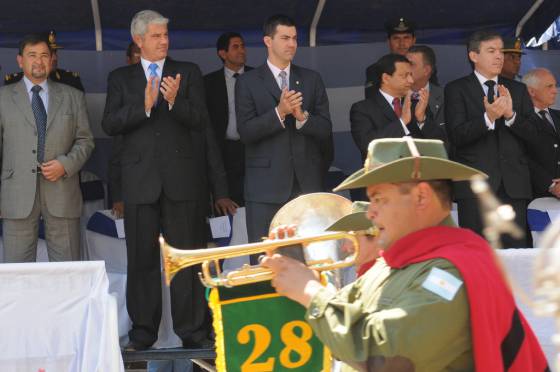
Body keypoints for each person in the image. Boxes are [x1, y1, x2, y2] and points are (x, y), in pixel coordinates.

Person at [262, 137, 548, 371]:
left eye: (379, 199)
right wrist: (295, 267)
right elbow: (343, 318)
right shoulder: (391, 264)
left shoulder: (451, 272)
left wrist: (309, 290)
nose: (370, 212)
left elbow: (384, 354)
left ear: (422, 197)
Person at [102, 10, 213, 351]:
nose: (163, 41)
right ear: (139, 40)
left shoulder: (188, 72)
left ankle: (192, 332)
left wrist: (173, 101)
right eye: (156, 36)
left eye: (166, 35)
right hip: (139, 183)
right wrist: (145, 105)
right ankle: (143, 333)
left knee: (186, 258)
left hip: (181, 181)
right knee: (141, 261)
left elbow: (200, 121)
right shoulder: (121, 78)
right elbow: (110, 124)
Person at [235, 14, 332, 259]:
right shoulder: (247, 82)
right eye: (285, 38)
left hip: (305, 186)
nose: (292, 44)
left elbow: (325, 129)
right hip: (264, 189)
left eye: (295, 39)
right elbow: (245, 132)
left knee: (309, 261)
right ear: (268, 41)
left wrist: (302, 118)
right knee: (266, 262)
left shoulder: (311, 79)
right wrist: (279, 113)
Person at [0, 33, 94, 262]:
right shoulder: (2, 98)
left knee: (67, 272)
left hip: (62, 192)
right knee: (18, 274)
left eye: (44, 55)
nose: (38, 61)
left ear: (52, 60)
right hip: (17, 195)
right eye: (32, 55)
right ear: (20, 60)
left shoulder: (73, 96)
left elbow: (86, 140)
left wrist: (66, 164)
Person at [445, 30, 534, 248]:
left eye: (501, 51)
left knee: (518, 256)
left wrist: (511, 116)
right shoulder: (457, 89)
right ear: (473, 56)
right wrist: (489, 117)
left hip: (514, 188)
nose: (499, 57)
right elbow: (457, 135)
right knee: (478, 254)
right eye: (491, 51)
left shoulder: (518, 90)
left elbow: (534, 135)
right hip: (477, 189)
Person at [351, 53, 446, 161]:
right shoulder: (362, 109)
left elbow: (441, 144)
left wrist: (422, 120)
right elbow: (368, 145)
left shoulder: (416, 104)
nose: (411, 80)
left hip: (419, 174)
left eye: (411, 75)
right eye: (404, 75)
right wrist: (402, 122)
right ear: (386, 78)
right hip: (385, 175)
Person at [204, 32, 252, 208]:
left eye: (243, 46)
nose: (242, 51)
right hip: (224, 152)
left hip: (253, 149)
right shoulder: (208, 83)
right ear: (222, 54)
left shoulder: (258, 77)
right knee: (228, 205)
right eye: (235, 47)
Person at [522, 68, 560, 198]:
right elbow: (521, 157)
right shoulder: (519, 121)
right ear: (531, 91)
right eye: (549, 86)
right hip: (535, 197)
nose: (555, 91)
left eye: (555, 86)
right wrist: (551, 185)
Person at [4, 31, 84, 92]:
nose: (54, 58)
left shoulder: (71, 80)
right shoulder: (13, 82)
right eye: (33, 55)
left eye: (54, 53)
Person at [406, 45, 448, 147]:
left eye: (410, 64)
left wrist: (422, 120)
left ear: (426, 70)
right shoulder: (394, 97)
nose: (405, 68)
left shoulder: (446, 97)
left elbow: (447, 141)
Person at [365, 17, 416, 98]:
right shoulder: (375, 70)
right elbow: (373, 103)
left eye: (406, 38)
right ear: (388, 42)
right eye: (396, 38)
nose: (402, 43)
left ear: (414, 41)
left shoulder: (423, 68)